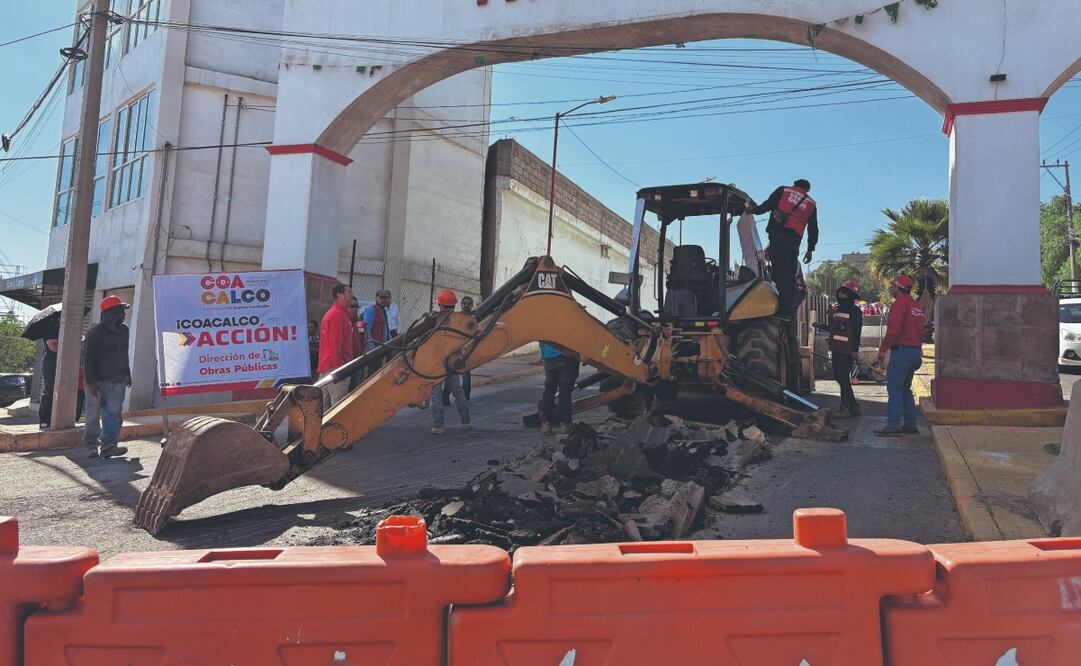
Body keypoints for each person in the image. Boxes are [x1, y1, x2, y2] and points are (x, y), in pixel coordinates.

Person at [747, 179, 818, 313]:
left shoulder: (784, 190)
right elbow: (813, 230)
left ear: (795, 184)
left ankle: (782, 308)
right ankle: (788, 307)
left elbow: (767, 205)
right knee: (789, 273)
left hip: (778, 236)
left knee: (779, 272)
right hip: (794, 241)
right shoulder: (811, 204)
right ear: (807, 190)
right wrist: (810, 250)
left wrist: (753, 210)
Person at [874, 275, 926, 437]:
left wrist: (883, 349)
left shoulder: (899, 305)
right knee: (905, 389)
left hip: (903, 352)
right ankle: (910, 423)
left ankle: (894, 424)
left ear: (897, 288)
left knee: (894, 388)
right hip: (915, 353)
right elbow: (920, 331)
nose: (890, 289)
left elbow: (894, 330)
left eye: (892, 287)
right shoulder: (916, 307)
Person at [83, 295, 131, 458]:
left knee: (114, 414)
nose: (124, 315)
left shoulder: (124, 330)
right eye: (121, 311)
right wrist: (91, 383)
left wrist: (127, 373)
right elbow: (87, 361)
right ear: (111, 312)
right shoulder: (94, 333)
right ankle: (91, 446)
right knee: (93, 415)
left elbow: (124, 354)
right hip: (96, 382)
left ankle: (109, 447)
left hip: (118, 380)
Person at [430, 289, 470, 434]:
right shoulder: (458, 320)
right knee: (458, 391)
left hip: (438, 360)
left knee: (436, 393)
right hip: (452, 361)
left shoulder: (435, 319)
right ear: (454, 305)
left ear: (440, 304)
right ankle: (466, 421)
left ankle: (438, 426)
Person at [825, 280, 863, 418]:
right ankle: (854, 406)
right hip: (836, 348)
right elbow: (833, 328)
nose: (840, 294)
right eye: (840, 291)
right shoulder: (836, 310)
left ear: (851, 295)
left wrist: (855, 351)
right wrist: (821, 325)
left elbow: (856, 331)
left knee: (843, 378)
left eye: (844, 292)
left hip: (846, 350)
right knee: (839, 377)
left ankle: (845, 408)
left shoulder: (855, 312)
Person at [318, 283, 355, 408]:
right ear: (340, 295)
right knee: (337, 407)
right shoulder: (338, 315)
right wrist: (340, 371)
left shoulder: (335, 314)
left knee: (324, 408)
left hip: (327, 366)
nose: (352, 295)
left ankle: (323, 428)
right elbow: (336, 345)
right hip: (335, 367)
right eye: (349, 292)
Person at [540, 342, 580, 436]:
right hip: (566, 356)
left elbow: (540, 339)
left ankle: (546, 425)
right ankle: (565, 425)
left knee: (549, 391)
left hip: (548, 357)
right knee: (565, 393)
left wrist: (544, 354)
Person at [442, 295, 475, 405]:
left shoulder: (474, 318)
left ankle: (466, 397)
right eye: (464, 303)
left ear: (472, 306)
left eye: (468, 304)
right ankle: (445, 397)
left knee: (465, 373)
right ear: (461, 305)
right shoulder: (456, 317)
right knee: (450, 374)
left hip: (466, 349)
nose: (466, 305)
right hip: (453, 348)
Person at [37, 314, 60, 430]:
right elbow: (54, 347)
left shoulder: (62, 330)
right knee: (49, 391)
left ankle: (56, 418)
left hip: (63, 364)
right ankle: (44, 420)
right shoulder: (51, 330)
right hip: (51, 363)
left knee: (61, 393)